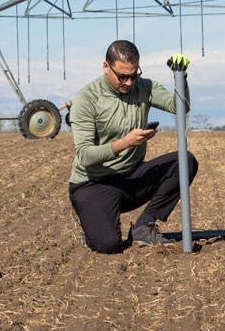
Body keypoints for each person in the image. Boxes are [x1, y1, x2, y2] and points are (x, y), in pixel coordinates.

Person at [68, 40, 199, 253]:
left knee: (185, 161)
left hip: (131, 178)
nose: (128, 82)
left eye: (133, 75)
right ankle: (94, 226)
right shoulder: (87, 99)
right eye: (122, 76)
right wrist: (125, 143)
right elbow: (84, 156)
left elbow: (179, 107)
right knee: (108, 244)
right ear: (105, 67)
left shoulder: (144, 87)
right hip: (93, 184)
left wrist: (181, 77)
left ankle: (143, 225)